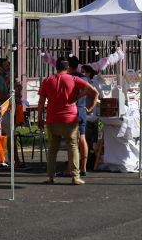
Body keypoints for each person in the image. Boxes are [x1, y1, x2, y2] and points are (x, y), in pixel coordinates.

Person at [37, 57, 99, 185]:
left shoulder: (47, 81)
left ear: (56, 67)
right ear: (67, 68)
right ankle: (75, 176)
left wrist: (39, 118)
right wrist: (79, 96)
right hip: (70, 118)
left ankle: (50, 177)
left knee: (53, 149)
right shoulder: (73, 79)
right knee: (73, 147)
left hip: (52, 118)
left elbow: (41, 101)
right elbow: (93, 91)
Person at [0, 57, 26, 170]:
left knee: (0, 136)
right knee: (11, 136)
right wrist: (13, 95)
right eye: (6, 66)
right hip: (3, 111)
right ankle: (15, 161)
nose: (9, 68)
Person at [68, 56, 91, 177]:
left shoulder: (71, 78)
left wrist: (75, 98)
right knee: (82, 138)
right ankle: (83, 167)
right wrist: (90, 107)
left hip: (73, 110)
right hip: (82, 109)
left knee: (72, 140)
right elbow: (93, 92)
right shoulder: (85, 78)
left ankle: (71, 168)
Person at [81, 64, 102, 170]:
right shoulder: (84, 81)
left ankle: (89, 160)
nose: (82, 73)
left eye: (83, 71)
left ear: (89, 72)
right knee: (86, 139)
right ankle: (86, 160)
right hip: (86, 113)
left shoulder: (94, 82)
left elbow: (97, 95)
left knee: (90, 139)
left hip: (91, 114)